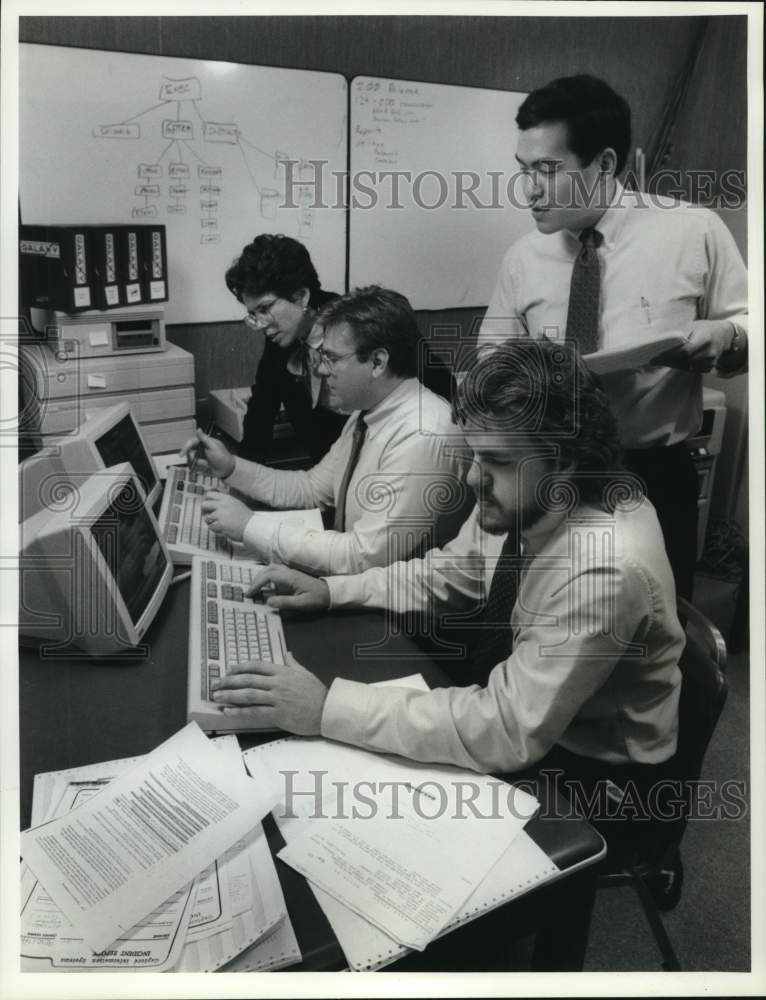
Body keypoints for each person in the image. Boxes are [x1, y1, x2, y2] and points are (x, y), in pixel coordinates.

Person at [208, 340, 685, 848]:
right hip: (534, 716)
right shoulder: (528, 494)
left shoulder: (603, 566)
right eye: (474, 453)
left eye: (495, 461)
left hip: (593, 773)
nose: (472, 477)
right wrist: (331, 590)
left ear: (565, 463)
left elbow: (507, 728)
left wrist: (326, 709)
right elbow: (448, 574)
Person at [477, 74, 748, 601]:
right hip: (549, 470)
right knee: (535, 622)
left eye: (547, 171)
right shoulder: (522, 258)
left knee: (653, 631)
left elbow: (748, 321)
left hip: (651, 474)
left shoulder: (693, 231)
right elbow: (489, 360)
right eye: (523, 171)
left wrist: (728, 334)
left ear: (603, 164)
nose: (528, 189)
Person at [181, 285, 468, 577]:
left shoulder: (422, 434)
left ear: (378, 362)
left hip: (396, 615)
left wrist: (249, 526)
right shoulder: (369, 412)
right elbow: (311, 488)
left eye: (332, 358)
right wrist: (231, 467)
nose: (320, 370)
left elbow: (364, 556)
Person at [225, 234, 348, 464]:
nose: (260, 324)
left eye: (265, 308)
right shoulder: (282, 338)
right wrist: (239, 476)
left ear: (300, 297)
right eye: (253, 315)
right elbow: (260, 413)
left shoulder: (360, 326)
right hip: (324, 482)